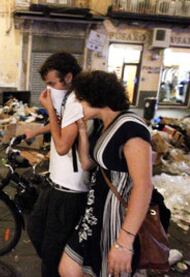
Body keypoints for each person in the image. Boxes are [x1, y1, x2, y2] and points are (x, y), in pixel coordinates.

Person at [59, 71, 153, 277]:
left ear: (96, 97)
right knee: (69, 268)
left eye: (81, 100)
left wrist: (125, 242)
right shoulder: (106, 125)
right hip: (95, 214)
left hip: (116, 219)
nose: (79, 107)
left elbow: (144, 186)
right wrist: (83, 131)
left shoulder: (131, 128)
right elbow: (87, 163)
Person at [25, 52, 89, 277]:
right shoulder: (68, 97)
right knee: (34, 227)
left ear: (69, 77)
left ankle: (66, 269)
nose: (48, 89)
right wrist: (36, 130)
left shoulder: (76, 101)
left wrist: (49, 108)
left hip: (70, 190)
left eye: (52, 83)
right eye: (46, 84)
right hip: (55, 182)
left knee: (51, 254)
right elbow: (60, 125)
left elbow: (62, 145)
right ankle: (66, 267)